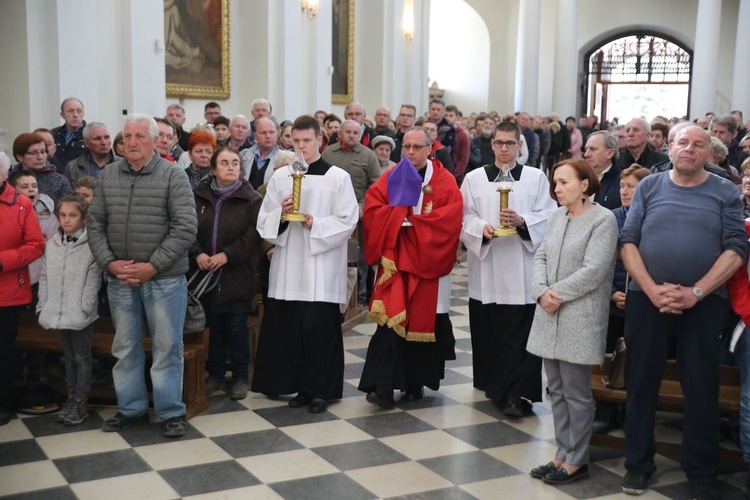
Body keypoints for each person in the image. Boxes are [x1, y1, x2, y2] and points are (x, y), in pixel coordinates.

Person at [619, 125, 746, 499]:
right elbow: (628, 241)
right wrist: (652, 289)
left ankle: (701, 471)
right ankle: (638, 465)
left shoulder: (725, 192)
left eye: (698, 144)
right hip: (647, 300)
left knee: (701, 386)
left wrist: (696, 292)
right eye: (682, 143)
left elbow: (737, 248)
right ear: (669, 147)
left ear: (710, 152)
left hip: (704, 305)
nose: (689, 149)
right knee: (640, 384)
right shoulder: (649, 187)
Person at [88, 113, 197, 438]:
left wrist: (153, 266)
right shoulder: (108, 175)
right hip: (120, 278)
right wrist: (110, 263)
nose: (132, 142)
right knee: (125, 347)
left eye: (139, 136)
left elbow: (186, 228)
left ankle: (170, 412)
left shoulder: (172, 176)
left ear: (154, 140)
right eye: (128, 137)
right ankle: (132, 409)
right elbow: (95, 224)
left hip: (163, 280)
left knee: (166, 347)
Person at [251, 115, 358, 413]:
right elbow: (264, 221)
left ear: (320, 141)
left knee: (318, 329)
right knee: (291, 329)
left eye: (306, 141)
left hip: (321, 266)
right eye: (295, 141)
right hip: (289, 266)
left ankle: (320, 390)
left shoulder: (338, 177)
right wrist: (282, 216)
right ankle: (299, 387)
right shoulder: (281, 177)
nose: (300, 147)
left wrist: (316, 223)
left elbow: (348, 219)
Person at [526, 158, 618, 485]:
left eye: (564, 182)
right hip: (549, 314)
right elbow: (541, 256)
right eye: (555, 183)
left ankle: (577, 459)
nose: (557, 189)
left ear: (584, 184)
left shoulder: (602, 220)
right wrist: (539, 292)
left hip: (579, 317)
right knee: (558, 391)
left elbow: (594, 270)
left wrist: (553, 293)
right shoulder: (556, 217)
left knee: (577, 393)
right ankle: (562, 453)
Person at [358, 126, 463, 407]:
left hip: (427, 262)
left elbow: (451, 218)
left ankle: (415, 383)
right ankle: (382, 386)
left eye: (418, 147)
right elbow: (372, 208)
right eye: (407, 147)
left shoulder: (444, 180)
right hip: (397, 263)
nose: (412, 153)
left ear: (430, 149)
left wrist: (414, 224)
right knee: (389, 325)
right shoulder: (391, 176)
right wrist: (396, 217)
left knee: (423, 322)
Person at [460, 121, 557, 415]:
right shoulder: (474, 178)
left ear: (519, 145)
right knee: (489, 328)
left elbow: (548, 214)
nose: (504, 149)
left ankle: (518, 394)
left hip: (521, 268)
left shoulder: (536, 178)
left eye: (509, 144)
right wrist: (481, 227)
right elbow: (464, 216)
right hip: (487, 267)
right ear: (491, 145)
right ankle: (495, 385)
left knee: (520, 331)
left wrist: (523, 222)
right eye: (499, 143)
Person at [194, 148, 263, 400]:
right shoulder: (198, 196)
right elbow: (187, 227)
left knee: (236, 327)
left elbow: (255, 235)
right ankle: (215, 374)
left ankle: (241, 377)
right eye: (224, 163)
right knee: (214, 327)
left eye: (235, 163)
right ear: (214, 169)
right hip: (205, 275)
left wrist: (228, 255)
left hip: (236, 274)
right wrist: (197, 253)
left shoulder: (251, 199)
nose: (231, 167)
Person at [593, 164, 651, 435]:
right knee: (608, 355)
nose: (625, 192)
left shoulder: (654, 217)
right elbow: (599, 262)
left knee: (637, 358)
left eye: (632, 187)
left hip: (642, 299)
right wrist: (612, 292)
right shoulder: (609, 217)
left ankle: (632, 411)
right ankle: (605, 410)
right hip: (613, 298)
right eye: (623, 186)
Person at [37, 193, 101, 426]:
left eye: (72, 215)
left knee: (82, 358)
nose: (66, 220)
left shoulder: (90, 246)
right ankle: (70, 397)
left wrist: (84, 308)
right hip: (57, 310)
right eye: (62, 215)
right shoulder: (52, 245)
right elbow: (44, 276)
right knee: (68, 357)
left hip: (80, 312)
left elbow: (93, 279)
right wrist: (43, 304)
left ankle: (81, 401)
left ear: (83, 218)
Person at [0, 152, 45, 425]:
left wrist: (3, 261)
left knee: (4, 351)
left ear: (5, 173)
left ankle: (3, 402)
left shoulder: (20, 205)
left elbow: (36, 245)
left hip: (8, 291)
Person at [12, 132, 72, 203]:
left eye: (43, 152)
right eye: (34, 153)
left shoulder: (60, 181)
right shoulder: (9, 180)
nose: (40, 157)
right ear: (19, 157)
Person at [52, 97, 87, 165]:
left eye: (79, 111)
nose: (75, 115)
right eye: (70, 111)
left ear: (83, 114)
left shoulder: (90, 134)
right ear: (62, 115)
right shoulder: (54, 134)